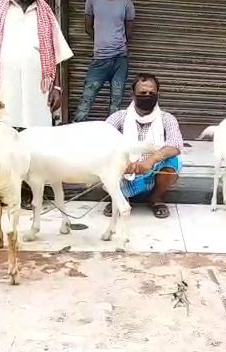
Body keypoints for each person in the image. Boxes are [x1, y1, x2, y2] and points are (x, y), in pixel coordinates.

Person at [0, 0, 73, 208]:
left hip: (38, 91)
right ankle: (1, 193)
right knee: (2, 140)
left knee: (36, 141)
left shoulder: (45, 11)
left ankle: (34, 192)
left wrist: (57, 88)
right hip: (3, 89)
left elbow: (58, 52)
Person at [102, 73, 183, 219]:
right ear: (133, 95)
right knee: (104, 160)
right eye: (143, 93)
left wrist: (151, 161)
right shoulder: (119, 117)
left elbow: (176, 145)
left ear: (157, 94)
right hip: (123, 172)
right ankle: (119, 198)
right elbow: (101, 140)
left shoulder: (167, 118)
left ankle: (156, 199)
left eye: (152, 93)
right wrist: (123, 162)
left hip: (152, 171)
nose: (147, 96)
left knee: (174, 161)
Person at [73, 0, 135, 121]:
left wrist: (115, 44)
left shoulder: (127, 3)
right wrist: (101, 43)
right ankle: (75, 130)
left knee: (115, 104)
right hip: (100, 60)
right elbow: (88, 27)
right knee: (86, 100)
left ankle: (112, 133)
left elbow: (129, 32)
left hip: (119, 61)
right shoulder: (92, 1)